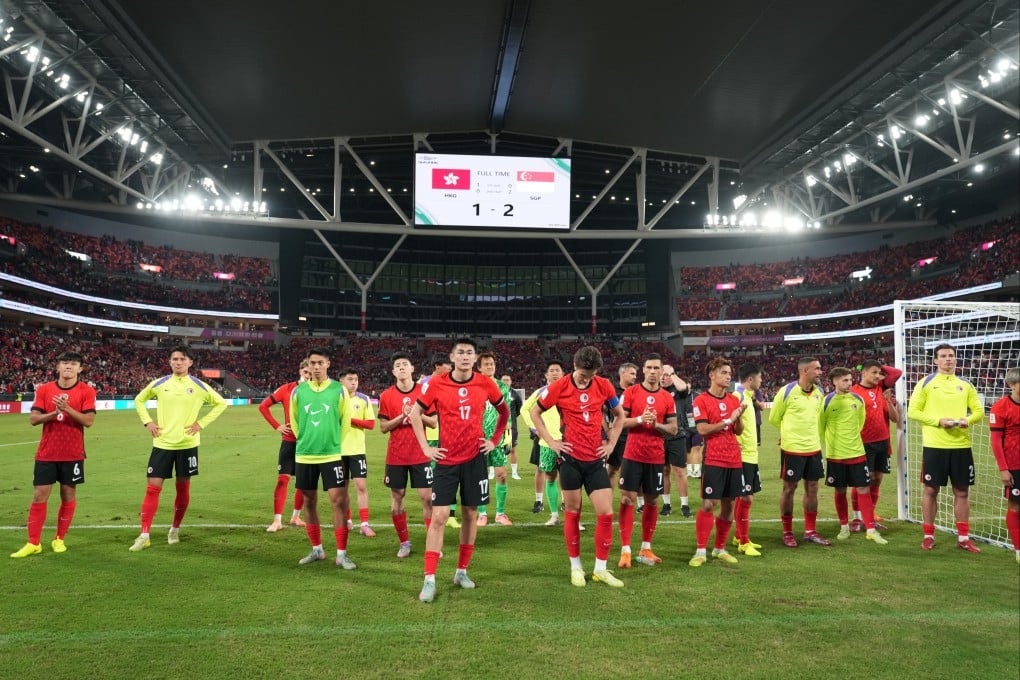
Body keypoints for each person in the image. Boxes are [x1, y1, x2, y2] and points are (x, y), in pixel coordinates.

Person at [409, 337, 509, 603]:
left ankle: (461, 572)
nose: (465, 356)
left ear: (475, 358)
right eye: (460, 352)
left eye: (469, 353)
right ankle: (429, 578)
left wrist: (494, 440)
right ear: (452, 357)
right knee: (440, 515)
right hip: (445, 460)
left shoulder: (485, 382)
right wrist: (425, 448)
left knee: (471, 513)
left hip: (475, 459)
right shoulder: (437, 384)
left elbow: (504, 412)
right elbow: (415, 414)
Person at [532, 345, 626, 588]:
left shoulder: (604, 385)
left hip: (595, 460)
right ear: (574, 367)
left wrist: (612, 443)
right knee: (572, 513)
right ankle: (576, 567)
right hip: (571, 460)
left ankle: (600, 569)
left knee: (606, 514)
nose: (588, 379)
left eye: (592, 374)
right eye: (584, 375)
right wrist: (552, 442)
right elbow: (535, 412)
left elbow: (620, 414)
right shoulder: (559, 387)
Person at [129, 345, 227, 552]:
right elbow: (139, 400)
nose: (178, 362)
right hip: (162, 444)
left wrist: (201, 424)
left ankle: (174, 529)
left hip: (187, 444)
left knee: (182, 489)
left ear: (190, 362)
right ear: (170, 362)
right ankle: (144, 534)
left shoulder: (199, 386)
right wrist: (148, 422)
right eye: (174, 359)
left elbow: (221, 403)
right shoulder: (160, 383)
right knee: (152, 487)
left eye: (182, 359)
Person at [11, 352, 96, 558]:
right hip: (47, 453)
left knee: (68, 495)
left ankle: (59, 539)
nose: (68, 366)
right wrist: (53, 413)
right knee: (39, 495)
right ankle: (33, 542)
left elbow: (88, 421)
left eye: (74, 363)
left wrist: (66, 408)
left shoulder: (87, 391)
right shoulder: (45, 389)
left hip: (73, 453)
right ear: (58, 367)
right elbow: (33, 419)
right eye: (65, 363)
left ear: (80, 369)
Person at [907, 344, 984, 552]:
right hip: (934, 445)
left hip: (961, 445)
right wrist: (938, 421)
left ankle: (963, 538)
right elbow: (913, 411)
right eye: (943, 356)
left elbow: (979, 411)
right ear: (935, 361)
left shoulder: (965, 384)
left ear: (956, 360)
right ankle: (928, 535)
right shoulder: (926, 383)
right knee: (931, 490)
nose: (948, 359)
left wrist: (968, 420)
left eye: (951, 356)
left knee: (962, 491)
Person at [289, 348, 357, 569]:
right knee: (309, 502)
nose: (316, 367)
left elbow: (345, 422)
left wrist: (333, 444)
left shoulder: (339, 390)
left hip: (331, 455)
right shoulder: (298, 392)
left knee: (339, 502)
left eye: (320, 363)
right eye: (312, 363)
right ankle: (317, 549)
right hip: (305, 455)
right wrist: (306, 441)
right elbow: (295, 423)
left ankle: (341, 554)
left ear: (328, 363)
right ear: (307, 366)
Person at [617, 354, 677, 568]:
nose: (652, 371)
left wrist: (657, 424)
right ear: (643, 370)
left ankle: (646, 547)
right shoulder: (631, 393)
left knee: (652, 501)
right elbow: (620, 422)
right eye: (649, 367)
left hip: (655, 456)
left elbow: (673, 429)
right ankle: (625, 550)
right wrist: (641, 419)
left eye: (656, 368)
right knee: (627, 500)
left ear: (662, 372)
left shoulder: (668, 398)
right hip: (632, 454)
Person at [820, 367, 888, 545]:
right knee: (840, 490)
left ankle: (871, 530)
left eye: (850, 380)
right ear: (834, 381)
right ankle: (844, 526)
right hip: (836, 454)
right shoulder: (827, 401)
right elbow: (821, 426)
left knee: (863, 489)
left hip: (857, 452)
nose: (849, 383)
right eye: (844, 380)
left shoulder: (857, 399)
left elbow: (860, 423)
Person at [689, 357, 745, 567]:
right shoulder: (701, 401)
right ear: (712, 375)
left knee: (729, 504)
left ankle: (719, 548)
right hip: (713, 458)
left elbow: (738, 431)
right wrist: (729, 420)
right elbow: (702, 430)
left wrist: (738, 417)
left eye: (729, 373)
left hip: (733, 458)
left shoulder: (733, 400)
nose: (728, 376)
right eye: (723, 372)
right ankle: (701, 550)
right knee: (708, 503)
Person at [770, 356, 830, 548]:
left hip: (814, 449)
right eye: (817, 369)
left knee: (813, 488)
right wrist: (788, 434)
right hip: (792, 449)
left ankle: (810, 531)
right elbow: (774, 418)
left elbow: (819, 418)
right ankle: (787, 532)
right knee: (789, 489)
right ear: (805, 371)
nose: (820, 372)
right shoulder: (786, 391)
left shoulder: (820, 392)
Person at [379, 352, 433, 558]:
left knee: (427, 498)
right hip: (397, 456)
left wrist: (415, 414)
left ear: (412, 369)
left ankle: (431, 541)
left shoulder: (424, 392)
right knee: (397, 497)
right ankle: (404, 543)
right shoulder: (386, 396)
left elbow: (434, 421)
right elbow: (383, 427)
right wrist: (401, 416)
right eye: (398, 365)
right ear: (393, 372)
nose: (401, 367)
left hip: (420, 453)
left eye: (405, 364)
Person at [849, 361, 902, 531]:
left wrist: (879, 367)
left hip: (883, 442)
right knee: (863, 480)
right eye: (874, 372)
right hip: (863, 443)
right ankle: (857, 518)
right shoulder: (853, 392)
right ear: (863, 373)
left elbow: (896, 373)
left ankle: (870, 516)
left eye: (879, 373)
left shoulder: (881, 388)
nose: (878, 376)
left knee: (877, 479)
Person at [258, 361, 310, 532]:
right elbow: (263, 406)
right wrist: (277, 426)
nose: (308, 374)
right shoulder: (286, 389)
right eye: (305, 370)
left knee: (302, 483)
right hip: (289, 442)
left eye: (311, 371)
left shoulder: (319, 392)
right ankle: (277, 521)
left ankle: (295, 517)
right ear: (300, 370)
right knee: (282, 480)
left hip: (307, 443)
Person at [522, 360, 566, 525]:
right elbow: (524, 409)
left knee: (570, 479)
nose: (555, 373)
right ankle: (554, 515)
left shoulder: (569, 391)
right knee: (551, 477)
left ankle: (573, 518)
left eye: (558, 370)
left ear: (562, 374)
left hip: (568, 442)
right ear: (547, 375)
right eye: (552, 370)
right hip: (548, 443)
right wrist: (535, 429)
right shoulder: (541, 392)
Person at [421, 354, 458, 528]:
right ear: (437, 365)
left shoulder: (454, 382)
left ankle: (451, 514)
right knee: (432, 478)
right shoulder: (424, 384)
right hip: (430, 438)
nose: (451, 368)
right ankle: (437, 511)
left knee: (450, 476)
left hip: (449, 436)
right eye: (447, 365)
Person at [339, 368, 377, 537]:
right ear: (341, 381)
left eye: (356, 379)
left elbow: (370, 424)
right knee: (343, 488)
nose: (354, 382)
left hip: (357, 450)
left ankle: (364, 524)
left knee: (361, 486)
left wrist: (350, 420)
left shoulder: (364, 399)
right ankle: (347, 521)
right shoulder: (335, 399)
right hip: (338, 450)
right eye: (350, 379)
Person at [477, 352, 514, 526]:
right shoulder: (474, 386)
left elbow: (506, 415)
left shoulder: (502, 387)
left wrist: (508, 439)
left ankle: (500, 513)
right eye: (486, 364)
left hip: (497, 438)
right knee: (480, 477)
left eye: (492, 364)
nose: (490, 367)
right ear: (479, 367)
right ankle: (482, 514)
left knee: (502, 475)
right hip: (478, 439)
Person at [989, 367, 1020, 563]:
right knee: (1016, 507)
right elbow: (995, 441)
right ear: (1011, 385)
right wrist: (1003, 468)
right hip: (1015, 465)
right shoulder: (1001, 407)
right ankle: (1019, 549)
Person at [732, 363, 764, 556]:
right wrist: (735, 444)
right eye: (760, 378)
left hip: (751, 455)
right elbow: (731, 423)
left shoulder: (748, 397)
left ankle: (739, 535)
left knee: (743, 497)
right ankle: (743, 542)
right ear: (751, 379)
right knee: (746, 497)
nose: (761, 381)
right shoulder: (738, 397)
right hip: (742, 456)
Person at [660, 365, 692, 517]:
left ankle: (685, 505)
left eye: (666, 375)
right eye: (661, 374)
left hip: (677, 436)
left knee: (679, 471)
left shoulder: (678, 391)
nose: (662, 377)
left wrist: (671, 372)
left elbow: (683, 387)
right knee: (664, 471)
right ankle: (666, 504)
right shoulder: (655, 391)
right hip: (659, 436)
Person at [606, 362, 638, 492]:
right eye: (632, 373)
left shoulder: (638, 391)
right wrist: (608, 430)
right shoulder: (612, 391)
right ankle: (607, 498)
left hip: (635, 434)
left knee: (636, 470)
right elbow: (602, 412)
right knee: (613, 469)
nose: (635, 377)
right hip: (618, 436)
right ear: (622, 373)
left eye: (635, 374)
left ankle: (640, 503)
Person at [501, 374, 524, 480]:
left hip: (511, 426)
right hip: (497, 426)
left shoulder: (515, 394)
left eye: (507, 380)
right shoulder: (495, 392)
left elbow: (519, 408)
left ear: (511, 382)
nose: (506, 381)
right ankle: (492, 471)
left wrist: (512, 418)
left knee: (512, 449)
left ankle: (514, 472)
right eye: (504, 380)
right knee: (495, 449)